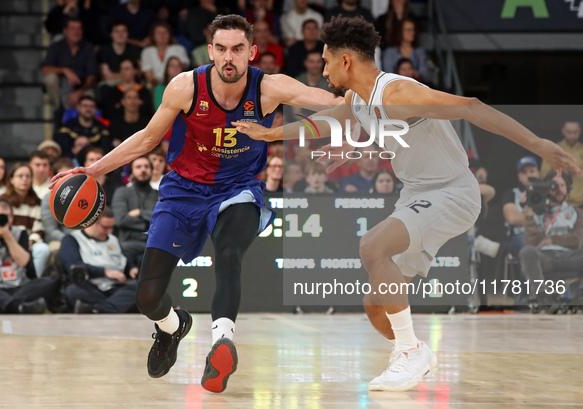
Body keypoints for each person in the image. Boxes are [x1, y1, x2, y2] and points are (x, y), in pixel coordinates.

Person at [234, 16, 582, 392]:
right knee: (374, 304)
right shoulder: (357, 98)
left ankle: (410, 350)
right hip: (416, 194)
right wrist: (271, 133)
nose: (324, 67)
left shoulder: (398, 94)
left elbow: (472, 106)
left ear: (347, 61)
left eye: (327, 60)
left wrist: (540, 145)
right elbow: (328, 120)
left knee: (372, 245)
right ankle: (414, 351)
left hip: (452, 192)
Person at [50, 14, 340, 393]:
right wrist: (93, 169)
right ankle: (172, 328)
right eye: (221, 49)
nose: (229, 57)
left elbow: (335, 105)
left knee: (230, 251)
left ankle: (222, 341)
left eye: (237, 49)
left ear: (252, 52)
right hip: (182, 190)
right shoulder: (185, 86)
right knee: (148, 297)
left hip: (237, 189)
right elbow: (147, 138)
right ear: (210, 51)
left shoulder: (271, 88)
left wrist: (375, 92)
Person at [519, 170, 583, 311]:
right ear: (547, 188)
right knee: (527, 252)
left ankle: (580, 297)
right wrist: (529, 213)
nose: (559, 189)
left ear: (568, 189)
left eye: (563, 185)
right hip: (546, 259)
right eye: (555, 185)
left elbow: (576, 240)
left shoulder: (576, 212)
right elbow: (531, 244)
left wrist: (548, 241)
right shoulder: (535, 213)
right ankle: (543, 297)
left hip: (570, 257)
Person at [59, 207, 138, 314]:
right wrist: (104, 272)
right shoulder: (72, 239)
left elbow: (124, 258)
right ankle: (113, 307)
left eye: (111, 227)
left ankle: (97, 308)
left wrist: (132, 268)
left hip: (115, 287)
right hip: (91, 286)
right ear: (92, 223)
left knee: (140, 289)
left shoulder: (113, 239)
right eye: (105, 228)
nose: (109, 231)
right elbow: (74, 267)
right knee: (73, 291)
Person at [0, 200, 59, 314]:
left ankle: (7, 305)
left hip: (19, 287)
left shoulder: (20, 232)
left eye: (5, 217)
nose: (1, 220)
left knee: (50, 281)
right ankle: (18, 307)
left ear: (12, 218)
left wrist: (7, 236)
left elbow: (23, 262)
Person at [0, 164, 50, 278]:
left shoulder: (36, 201)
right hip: (6, 239)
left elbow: (39, 228)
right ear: (11, 179)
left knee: (43, 249)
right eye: (20, 176)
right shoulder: (3, 201)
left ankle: (33, 282)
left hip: (28, 242)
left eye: (28, 176)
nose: (24, 179)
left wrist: (32, 240)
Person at [41, 18, 97, 111]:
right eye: (73, 29)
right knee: (49, 78)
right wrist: (64, 70)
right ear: (65, 31)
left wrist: (79, 92)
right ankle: (60, 109)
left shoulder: (88, 48)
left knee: (89, 99)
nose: (76, 32)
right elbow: (45, 69)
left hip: (82, 86)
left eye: (79, 29)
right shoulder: (56, 47)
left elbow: (92, 76)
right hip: (61, 86)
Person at [112, 156, 159, 265]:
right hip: (128, 243)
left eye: (146, 167)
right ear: (131, 172)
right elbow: (120, 219)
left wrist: (139, 213)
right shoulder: (122, 192)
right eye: (138, 167)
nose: (143, 170)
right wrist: (148, 223)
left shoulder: (159, 195)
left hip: (153, 243)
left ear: (152, 171)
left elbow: (163, 220)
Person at [502, 156, 541, 257]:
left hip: (545, 235)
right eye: (524, 172)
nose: (529, 175)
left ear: (538, 173)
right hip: (520, 235)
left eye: (532, 171)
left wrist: (526, 216)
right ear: (519, 176)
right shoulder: (511, 194)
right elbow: (513, 219)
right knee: (528, 245)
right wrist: (539, 215)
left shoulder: (548, 193)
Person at [541, 121, 583, 207]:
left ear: (580, 131)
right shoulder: (553, 150)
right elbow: (544, 176)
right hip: (557, 200)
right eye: (569, 132)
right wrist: (563, 173)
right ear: (563, 131)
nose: (572, 135)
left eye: (575, 132)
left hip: (580, 201)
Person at [41, 158, 76, 251]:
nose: (68, 178)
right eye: (64, 175)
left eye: (71, 175)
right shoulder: (49, 199)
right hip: (61, 239)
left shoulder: (85, 193)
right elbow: (51, 230)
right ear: (55, 177)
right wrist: (71, 240)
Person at [141, 21, 190, 88]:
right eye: (159, 33)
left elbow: (183, 68)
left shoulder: (179, 49)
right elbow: (149, 76)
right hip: (155, 86)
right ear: (153, 36)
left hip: (177, 83)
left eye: (165, 32)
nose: (162, 35)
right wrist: (161, 86)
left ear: (169, 35)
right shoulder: (147, 51)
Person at [383, 19, 431, 83]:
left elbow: (425, 75)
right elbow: (387, 74)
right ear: (400, 32)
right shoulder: (390, 52)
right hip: (395, 87)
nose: (412, 33)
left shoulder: (419, 52)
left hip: (415, 87)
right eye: (408, 30)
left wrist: (415, 74)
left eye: (413, 30)